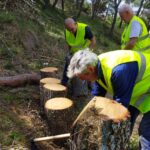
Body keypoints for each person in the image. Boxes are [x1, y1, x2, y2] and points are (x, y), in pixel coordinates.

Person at [67, 49, 150, 149]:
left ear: (90, 69)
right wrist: (86, 119)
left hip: (144, 89)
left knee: (146, 131)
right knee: (127, 123)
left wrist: (103, 130)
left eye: (82, 77)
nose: (82, 80)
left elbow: (119, 107)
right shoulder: (98, 65)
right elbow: (97, 96)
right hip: (142, 91)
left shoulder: (119, 71)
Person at [61, 17, 96, 86]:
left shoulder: (85, 28)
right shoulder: (66, 31)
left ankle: (89, 84)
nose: (70, 31)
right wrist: (70, 52)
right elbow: (69, 43)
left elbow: (93, 41)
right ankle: (64, 82)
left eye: (72, 29)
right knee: (68, 64)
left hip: (85, 53)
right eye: (68, 30)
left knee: (86, 68)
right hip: (74, 52)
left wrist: (88, 52)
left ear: (75, 24)